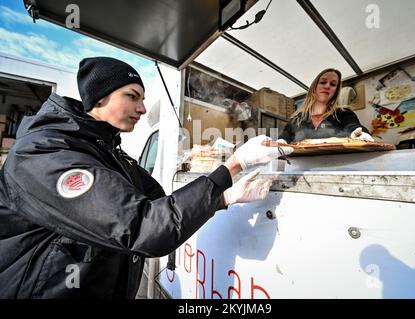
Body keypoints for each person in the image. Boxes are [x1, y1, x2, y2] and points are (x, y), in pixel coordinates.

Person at [0, 57, 293, 298]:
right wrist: (234, 164)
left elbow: (163, 207)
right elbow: (144, 227)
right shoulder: (45, 153)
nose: (141, 108)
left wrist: (224, 196)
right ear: (99, 97)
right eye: (132, 96)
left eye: (141, 98)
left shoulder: (110, 152)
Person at [278, 68, 373, 143]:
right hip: (298, 166)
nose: (327, 86)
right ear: (314, 87)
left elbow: (354, 127)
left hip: (337, 165)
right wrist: (277, 143)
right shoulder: (295, 120)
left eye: (333, 84)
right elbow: (283, 140)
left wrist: (360, 134)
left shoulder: (343, 114)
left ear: (335, 92)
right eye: (323, 82)